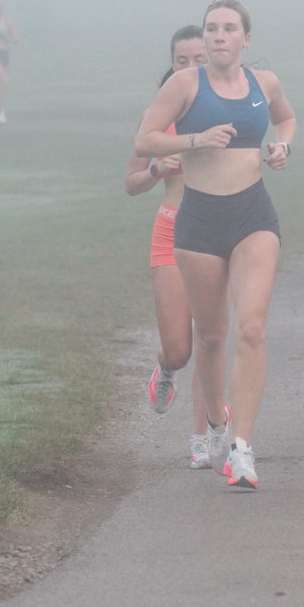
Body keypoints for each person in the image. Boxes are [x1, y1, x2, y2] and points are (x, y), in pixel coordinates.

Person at [134, 0, 296, 491]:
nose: (219, 36)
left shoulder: (265, 83)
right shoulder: (184, 85)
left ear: (246, 37)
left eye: (228, 28)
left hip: (252, 214)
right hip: (199, 219)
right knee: (208, 337)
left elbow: (286, 119)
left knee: (252, 327)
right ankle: (216, 426)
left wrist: (282, 147)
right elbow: (144, 141)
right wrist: (196, 140)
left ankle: (242, 448)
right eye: (212, 28)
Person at [124, 25, 212, 468]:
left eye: (199, 59)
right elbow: (132, 183)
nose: (190, 68)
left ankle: (202, 436)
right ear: (172, 64)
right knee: (179, 349)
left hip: (216, 230)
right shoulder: (157, 114)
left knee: (211, 337)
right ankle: (165, 368)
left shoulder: (230, 106)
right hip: (172, 230)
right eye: (182, 60)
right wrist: (158, 168)